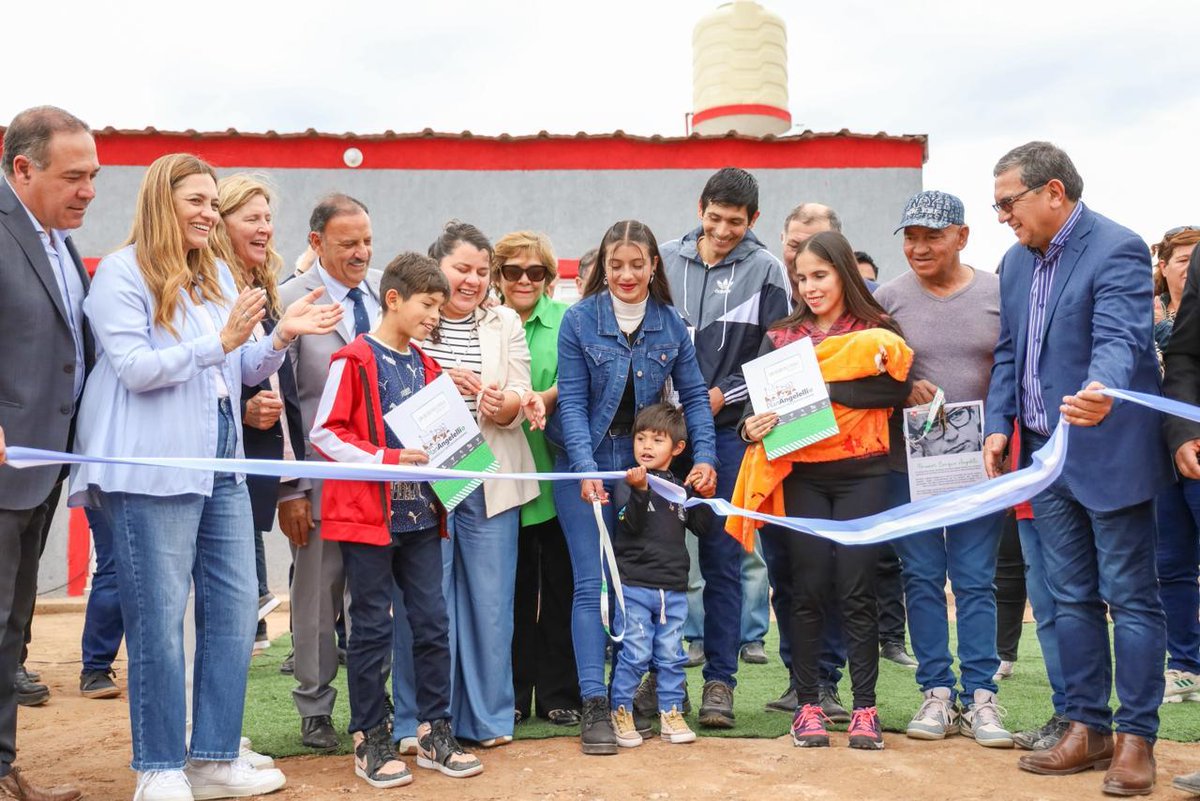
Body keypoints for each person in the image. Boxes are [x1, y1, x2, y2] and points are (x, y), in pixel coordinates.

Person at [71, 152, 339, 800]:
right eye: (196, 200)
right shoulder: (119, 274)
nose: (205, 212)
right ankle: (158, 766)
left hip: (218, 453)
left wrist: (277, 339)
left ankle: (212, 757)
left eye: (210, 201)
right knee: (159, 620)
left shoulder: (213, 270)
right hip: (150, 465)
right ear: (162, 202)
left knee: (230, 610)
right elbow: (135, 366)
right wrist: (218, 342)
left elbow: (237, 366)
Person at [984, 141, 1170, 796]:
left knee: (1130, 595)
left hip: (1108, 451)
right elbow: (1009, 352)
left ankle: (1136, 739)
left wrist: (1102, 390)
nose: (1003, 215)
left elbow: (1122, 337)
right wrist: (996, 427)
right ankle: (1087, 729)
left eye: (1008, 202)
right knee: (1068, 597)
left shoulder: (1117, 246)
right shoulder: (1012, 263)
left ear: (1053, 192)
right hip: (1042, 455)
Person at [732, 230, 912, 751]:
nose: (810, 287)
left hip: (865, 474)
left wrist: (819, 388)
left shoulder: (878, 330)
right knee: (806, 590)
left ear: (844, 274)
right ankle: (807, 706)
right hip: (801, 476)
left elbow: (893, 390)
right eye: (802, 278)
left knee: (857, 591)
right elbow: (751, 412)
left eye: (820, 275)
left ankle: (865, 711)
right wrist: (751, 429)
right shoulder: (781, 338)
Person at [310, 251, 483, 787]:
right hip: (370, 521)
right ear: (394, 299)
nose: (436, 315)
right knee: (370, 630)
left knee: (432, 624)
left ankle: (434, 732)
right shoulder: (355, 360)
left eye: (439, 306)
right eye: (428, 304)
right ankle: (369, 738)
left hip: (423, 520)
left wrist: (465, 461)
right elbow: (325, 434)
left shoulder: (428, 365)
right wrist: (385, 459)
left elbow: (443, 441)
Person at [549, 219, 717, 754]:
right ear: (602, 265)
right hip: (588, 459)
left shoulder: (671, 323)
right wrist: (585, 470)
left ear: (653, 266)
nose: (626, 274)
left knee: (645, 578)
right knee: (590, 582)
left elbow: (694, 397)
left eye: (636, 264)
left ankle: (643, 693)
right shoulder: (578, 320)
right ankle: (596, 703)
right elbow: (572, 402)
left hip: (649, 461)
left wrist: (705, 458)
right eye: (615, 264)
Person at [875, 189, 1010, 747]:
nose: (919, 247)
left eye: (933, 235)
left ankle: (982, 697)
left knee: (977, 580)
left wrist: (1000, 433)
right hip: (911, 466)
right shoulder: (888, 300)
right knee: (923, 578)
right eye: (911, 236)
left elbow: (1013, 365)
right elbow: (871, 375)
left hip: (982, 460)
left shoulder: (1000, 293)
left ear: (962, 236)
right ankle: (936, 691)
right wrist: (901, 388)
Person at [657, 167, 789, 729]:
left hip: (731, 431)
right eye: (714, 219)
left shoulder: (768, 269)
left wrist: (720, 395)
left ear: (753, 220)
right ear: (700, 208)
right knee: (657, 559)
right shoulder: (661, 258)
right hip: (662, 432)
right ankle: (657, 681)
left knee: (723, 561)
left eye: (736, 222)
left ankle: (719, 682)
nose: (724, 230)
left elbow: (776, 351)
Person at [413, 221, 541, 748]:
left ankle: (488, 720)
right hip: (424, 481)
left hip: (491, 474)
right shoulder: (414, 315)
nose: (472, 280)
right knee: (428, 604)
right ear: (437, 266)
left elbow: (521, 390)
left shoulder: (504, 319)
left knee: (491, 604)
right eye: (460, 269)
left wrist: (502, 403)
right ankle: (421, 721)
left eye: (481, 272)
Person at [0, 105, 96, 801]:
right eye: (74, 176)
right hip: (5, 461)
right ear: (23, 168)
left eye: (93, 175)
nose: (88, 189)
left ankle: (2, 766)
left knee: (12, 623)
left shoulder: (57, 241)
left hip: (42, 465)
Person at [279, 192, 379, 752]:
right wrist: (290, 487)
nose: (362, 252)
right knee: (317, 598)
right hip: (319, 479)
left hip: (386, 476)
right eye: (349, 244)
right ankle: (315, 707)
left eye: (367, 240)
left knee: (378, 596)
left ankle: (375, 699)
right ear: (316, 243)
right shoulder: (290, 299)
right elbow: (284, 400)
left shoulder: (388, 293)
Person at [493, 231, 581, 726]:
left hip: (558, 470)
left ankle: (559, 693)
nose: (524, 281)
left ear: (550, 277)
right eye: (512, 271)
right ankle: (512, 690)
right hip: (503, 474)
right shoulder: (486, 323)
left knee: (563, 586)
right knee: (515, 589)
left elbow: (580, 379)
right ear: (498, 275)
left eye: (536, 272)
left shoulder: (569, 320)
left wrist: (543, 398)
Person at [212, 174, 303, 653]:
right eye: (251, 218)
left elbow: (262, 366)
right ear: (219, 222)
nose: (265, 227)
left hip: (265, 451)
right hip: (225, 457)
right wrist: (242, 409)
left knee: (241, 595)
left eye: (268, 217)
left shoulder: (262, 283)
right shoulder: (207, 288)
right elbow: (215, 367)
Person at [608, 403, 714, 748]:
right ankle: (620, 709)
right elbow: (628, 524)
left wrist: (703, 496)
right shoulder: (629, 482)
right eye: (641, 438)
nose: (646, 446)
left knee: (671, 654)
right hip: (635, 585)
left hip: (673, 589)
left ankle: (671, 712)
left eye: (657, 439)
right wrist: (638, 492)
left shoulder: (680, 488)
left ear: (678, 448)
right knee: (636, 652)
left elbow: (701, 527)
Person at [1153, 228, 1200, 707]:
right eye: (1180, 257)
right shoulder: (1144, 318)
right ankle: (1184, 664)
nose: (1188, 265)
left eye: (1195, 257)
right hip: (1157, 450)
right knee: (1171, 563)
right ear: (1163, 267)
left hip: (1197, 444)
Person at [1153, 227, 1200, 354]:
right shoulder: (1145, 309)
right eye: (1183, 260)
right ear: (1163, 267)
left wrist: (1160, 325)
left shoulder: (1156, 319)